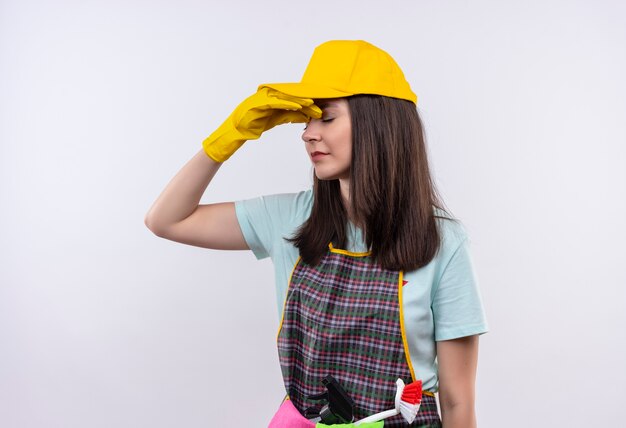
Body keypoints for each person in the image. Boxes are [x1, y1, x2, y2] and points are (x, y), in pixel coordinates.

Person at [145, 40, 488, 427]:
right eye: (307, 121)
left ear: (379, 124)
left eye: (326, 118)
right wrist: (227, 139)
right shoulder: (289, 219)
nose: (307, 134)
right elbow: (166, 220)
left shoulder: (443, 242)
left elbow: (458, 403)